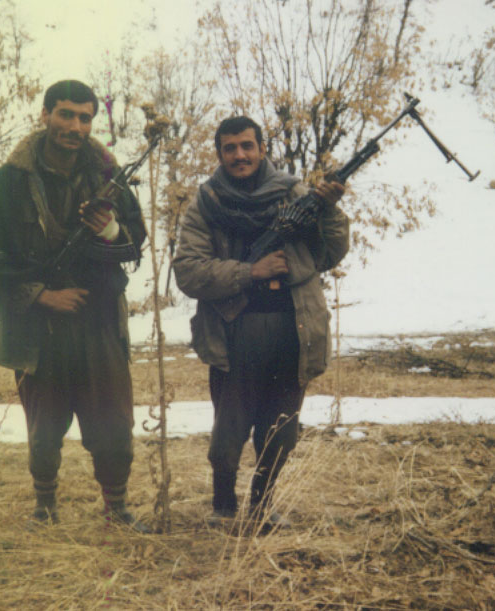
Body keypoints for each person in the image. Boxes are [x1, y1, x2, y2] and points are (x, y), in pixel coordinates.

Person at [0, 80, 149, 532]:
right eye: (65, 114)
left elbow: (135, 240)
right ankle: (44, 510)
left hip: (99, 321)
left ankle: (117, 509)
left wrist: (109, 231)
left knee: (113, 422)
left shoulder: (109, 178)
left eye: (85, 118)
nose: (75, 126)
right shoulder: (9, 182)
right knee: (44, 427)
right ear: (45, 115)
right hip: (37, 328)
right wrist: (41, 296)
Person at [172, 116, 349, 527]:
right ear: (219, 154)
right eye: (230, 148)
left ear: (262, 149)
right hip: (234, 331)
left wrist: (329, 210)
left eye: (247, 146)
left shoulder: (294, 194)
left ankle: (263, 505)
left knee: (281, 427)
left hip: (293, 327)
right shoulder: (207, 203)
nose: (240, 155)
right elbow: (188, 271)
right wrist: (250, 271)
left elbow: (329, 254)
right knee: (229, 428)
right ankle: (223, 506)